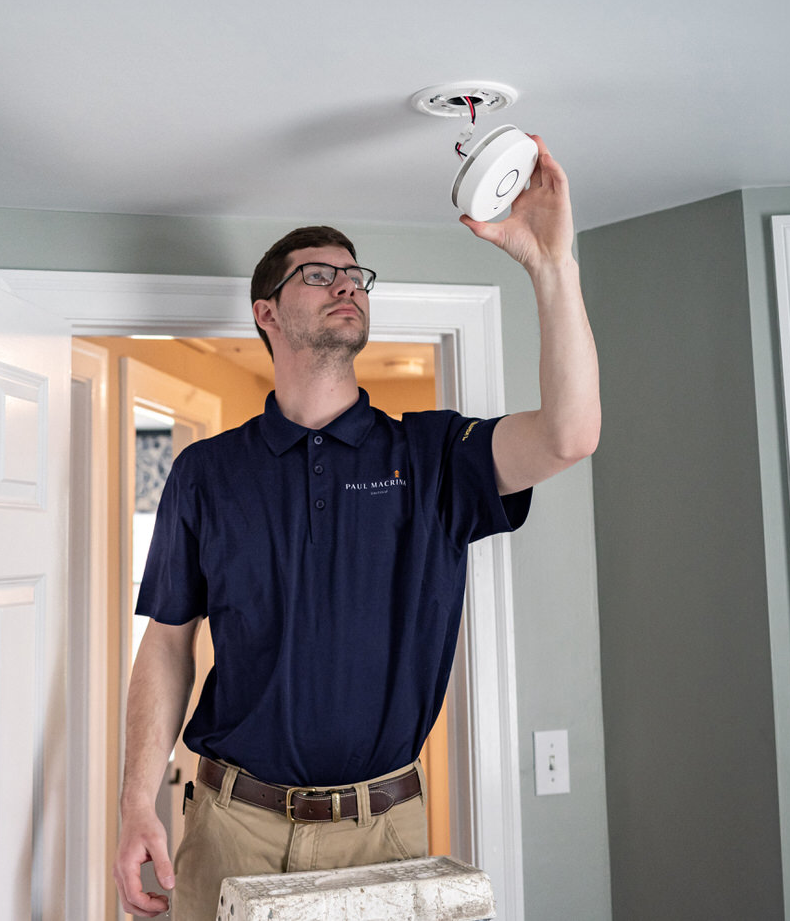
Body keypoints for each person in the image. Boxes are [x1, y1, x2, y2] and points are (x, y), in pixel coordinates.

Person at [112, 136, 600, 919]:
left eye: (355, 274)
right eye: (319, 272)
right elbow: (168, 641)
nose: (347, 283)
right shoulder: (206, 472)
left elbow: (571, 434)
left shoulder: (433, 454)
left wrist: (551, 265)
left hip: (386, 833)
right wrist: (139, 799)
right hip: (231, 826)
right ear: (266, 311)